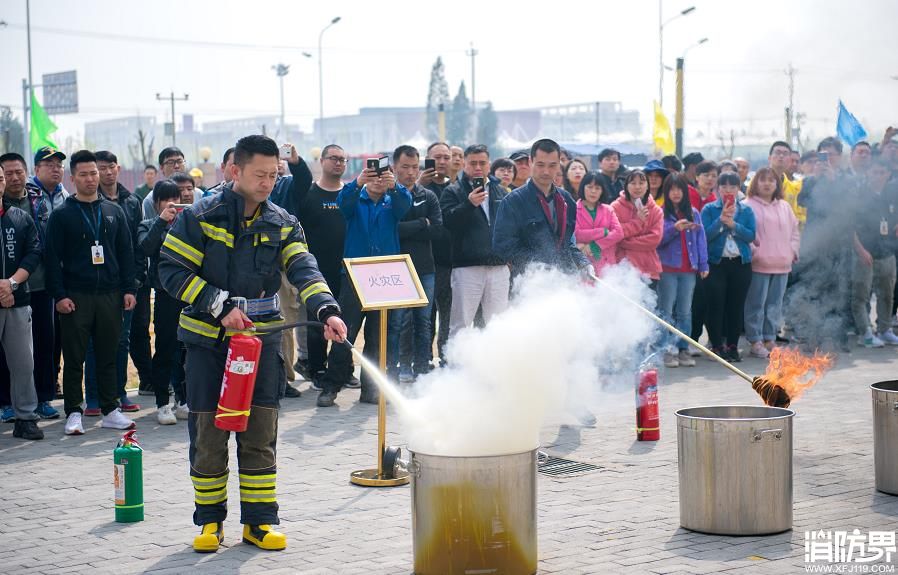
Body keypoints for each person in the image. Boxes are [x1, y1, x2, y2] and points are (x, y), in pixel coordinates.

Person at [157, 135, 347, 552]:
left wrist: (326, 311)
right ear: (234, 171)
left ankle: (259, 522)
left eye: (273, 175)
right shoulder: (200, 217)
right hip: (209, 344)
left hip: (261, 345)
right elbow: (171, 272)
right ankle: (210, 522)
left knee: (260, 431)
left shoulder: (282, 220)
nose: (267, 183)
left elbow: (304, 269)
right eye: (259, 174)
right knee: (208, 431)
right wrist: (217, 303)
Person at [45, 150, 137, 435]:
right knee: (74, 358)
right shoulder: (62, 216)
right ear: (73, 179)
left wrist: (128, 289)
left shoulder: (114, 211)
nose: (90, 179)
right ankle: (74, 411)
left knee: (109, 354)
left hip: (110, 295)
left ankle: (111, 409)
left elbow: (126, 253)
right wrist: (59, 295)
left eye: (93, 173)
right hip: (76, 296)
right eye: (83, 174)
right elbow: (51, 259)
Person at [316, 158, 412, 408]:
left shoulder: (393, 202)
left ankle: (371, 388)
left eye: (384, 175)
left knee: (378, 336)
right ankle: (330, 386)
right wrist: (357, 182)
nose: (379, 179)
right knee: (344, 332)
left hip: (385, 279)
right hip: (355, 276)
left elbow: (406, 205)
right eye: (374, 175)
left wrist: (396, 186)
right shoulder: (355, 200)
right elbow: (342, 203)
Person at [82, 150, 145, 416]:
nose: (106, 173)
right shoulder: (86, 204)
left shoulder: (132, 201)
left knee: (121, 341)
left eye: (110, 168)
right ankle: (94, 396)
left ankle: (119, 392)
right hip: (95, 286)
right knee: (94, 343)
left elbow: (138, 245)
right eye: (101, 168)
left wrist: (134, 280)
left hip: (124, 283)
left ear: (118, 169)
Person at [0, 152, 60, 421]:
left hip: (39, 285)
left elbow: (42, 247)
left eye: (17, 172)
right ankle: (7, 403)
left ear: (26, 172)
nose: (13, 178)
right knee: (8, 353)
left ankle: (44, 398)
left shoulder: (38, 201)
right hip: (9, 293)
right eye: (7, 173)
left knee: (43, 345)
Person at [795, 137, 858, 351]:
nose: (827, 159)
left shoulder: (847, 180)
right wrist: (816, 178)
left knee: (840, 290)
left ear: (839, 157)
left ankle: (837, 338)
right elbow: (802, 200)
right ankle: (811, 338)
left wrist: (832, 181)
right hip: (816, 242)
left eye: (831, 154)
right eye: (823, 154)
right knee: (814, 288)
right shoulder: (810, 180)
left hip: (839, 243)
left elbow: (850, 205)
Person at [440, 144, 510, 337]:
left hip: (498, 265)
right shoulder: (452, 191)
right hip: (466, 266)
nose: (478, 167)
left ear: (489, 165)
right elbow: (447, 222)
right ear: (464, 164)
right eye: (473, 163)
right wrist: (469, 204)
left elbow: (509, 226)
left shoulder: (501, 192)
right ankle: (454, 366)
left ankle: (496, 364)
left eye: (482, 163)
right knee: (460, 323)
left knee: (498, 324)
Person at [493, 138, 590, 277]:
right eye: (540, 164)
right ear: (531, 162)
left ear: (559, 166)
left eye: (552, 165)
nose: (546, 171)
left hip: (564, 280)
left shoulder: (567, 200)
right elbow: (502, 246)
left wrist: (582, 262)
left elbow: (568, 243)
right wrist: (538, 266)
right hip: (527, 282)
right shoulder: (513, 201)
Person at [293, 144, 344, 390]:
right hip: (315, 271)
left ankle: (340, 369)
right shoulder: (309, 194)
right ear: (322, 161)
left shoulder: (350, 194)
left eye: (343, 160)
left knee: (343, 322)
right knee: (316, 324)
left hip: (345, 270)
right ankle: (317, 369)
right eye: (334, 158)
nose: (339, 163)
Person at [138, 180, 188, 424]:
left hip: (187, 294)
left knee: (185, 349)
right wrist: (161, 221)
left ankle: (183, 399)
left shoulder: (187, 223)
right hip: (165, 295)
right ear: (156, 202)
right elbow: (145, 248)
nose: (171, 204)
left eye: (174, 198)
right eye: (165, 199)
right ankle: (162, 403)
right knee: (166, 348)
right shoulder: (148, 224)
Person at [0, 167, 44, 439]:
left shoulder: (19, 217)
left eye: (0, 179)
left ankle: (26, 418)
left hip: (17, 300)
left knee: (23, 363)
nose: (1, 183)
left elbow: (34, 251)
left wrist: (10, 284)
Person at [394, 145, 442, 382]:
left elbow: (437, 230)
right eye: (405, 167)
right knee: (402, 320)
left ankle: (422, 366)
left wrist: (421, 227)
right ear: (394, 167)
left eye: (415, 167)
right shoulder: (388, 195)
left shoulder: (428, 195)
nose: (411, 172)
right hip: (398, 267)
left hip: (425, 268)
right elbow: (393, 230)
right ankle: (403, 366)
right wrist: (422, 223)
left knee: (424, 321)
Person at [744, 168, 800, 358]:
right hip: (759, 263)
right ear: (755, 183)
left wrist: (792, 250)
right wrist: (755, 252)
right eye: (762, 180)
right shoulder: (747, 205)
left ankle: (770, 338)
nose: (767, 184)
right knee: (756, 304)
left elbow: (795, 231)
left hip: (783, 263)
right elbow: (746, 233)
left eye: (771, 180)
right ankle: (755, 340)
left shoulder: (785, 206)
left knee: (775, 304)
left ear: (777, 184)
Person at [701, 172, 756, 361]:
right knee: (716, 305)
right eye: (723, 186)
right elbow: (704, 236)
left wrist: (733, 224)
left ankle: (733, 345)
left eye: (732, 186)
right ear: (717, 189)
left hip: (740, 263)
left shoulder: (746, 210)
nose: (728, 190)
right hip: (716, 263)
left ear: (738, 189)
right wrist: (721, 222)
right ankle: (716, 345)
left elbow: (751, 236)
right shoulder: (709, 209)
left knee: (736, 306)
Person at [657, 175, 709, 368]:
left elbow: (701, 240)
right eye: (671, 189)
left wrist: (703, 265)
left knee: (685, 311)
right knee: (666, 310)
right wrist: (674, 229)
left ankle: (683, 348)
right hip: (667, 269)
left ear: (685, 192)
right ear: (666, 192)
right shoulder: (661, 213)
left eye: (679, 189)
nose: (676, 193)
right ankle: (665, 349)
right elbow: (658, 239)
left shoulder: (694, 213)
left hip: (689, 270)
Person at [851, 159, 898, 347]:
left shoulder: (892, 193)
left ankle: (885, 329)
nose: (877, 176)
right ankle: (865, 333)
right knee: (861, 295)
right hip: (864, 251)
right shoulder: (858, 195)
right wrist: (860, 249)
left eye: (881, 172)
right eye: (874, 172)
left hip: (887, 250)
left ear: (888, 174)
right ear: (867, 173)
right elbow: (849, 226)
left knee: (887, 293)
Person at [420, 142, 455, 367]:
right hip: (425, 262)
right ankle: (422, 361)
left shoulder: (457, 188)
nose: (441, 162)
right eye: (437, 158)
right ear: (428, 159)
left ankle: (446, 359)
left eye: (446, 157)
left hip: (452, 262)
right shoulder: (418, 189)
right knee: (424, 318)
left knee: (449, 317)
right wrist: (419, 185)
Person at [610, 170, 664, 287]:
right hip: (622, 268)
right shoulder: (615, 207)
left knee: (647, 304)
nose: (637, 187)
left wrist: (625, 242)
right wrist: (638, 222)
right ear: (626, 186)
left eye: (641, 183)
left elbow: (654, 240)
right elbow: (614, 234)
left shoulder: (656, 210)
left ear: (647, 186)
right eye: (633, 183)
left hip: (648, 269)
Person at [574, 171, 623, 276]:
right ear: (583, 187)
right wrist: (603, 232)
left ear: (602, 191)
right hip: (585, 265)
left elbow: (619, 233)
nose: (593, 191)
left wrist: (595, 245)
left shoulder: (608, 209)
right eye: (590, 187)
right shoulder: (573, 209)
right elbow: (577, 234)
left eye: (597, 188)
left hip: (607, 266)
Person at [767, 141, 806, 228]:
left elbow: (799, 214)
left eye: (785, 154)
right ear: (769, 158)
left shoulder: (795, 188)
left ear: (789, 160)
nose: (781, 156)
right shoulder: (757, 183)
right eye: (777, 153)